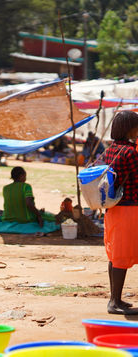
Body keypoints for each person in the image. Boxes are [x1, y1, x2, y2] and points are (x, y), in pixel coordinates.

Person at [101, 110, 138, 315]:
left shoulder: (110, 150)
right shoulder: (130, 152)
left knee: (116, 255)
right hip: (129, 208)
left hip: (113, 209)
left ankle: (116, 299)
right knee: (122, 255)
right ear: (129, 128)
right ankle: (114, 302)